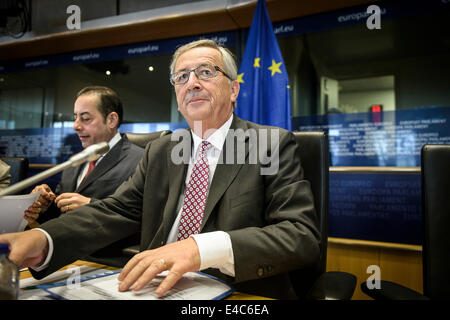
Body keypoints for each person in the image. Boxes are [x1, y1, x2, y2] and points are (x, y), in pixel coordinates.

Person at [0, 40, 320, 299]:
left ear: (234, 90)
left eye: (206, 72)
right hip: (150, 288)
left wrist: (200, 247)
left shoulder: (268, 144)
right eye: (181, 77)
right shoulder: (162, 150)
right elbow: (114, 211)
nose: (191, 82)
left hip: (240, 292)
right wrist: (44, 238)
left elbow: (300, 235)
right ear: (178, 98)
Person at [24, 86, 144, 265]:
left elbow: (145, 220)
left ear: (111, 120)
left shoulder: (141, 159)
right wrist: (44, 205)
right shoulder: (75, 161)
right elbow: (61, 217)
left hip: (107, 262)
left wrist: (90, 206)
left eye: (85, 118)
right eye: (75, 117)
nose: (75, 126)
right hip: (62, 258)